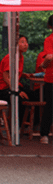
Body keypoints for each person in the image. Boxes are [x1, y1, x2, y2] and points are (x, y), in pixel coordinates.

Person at [0, 35, 31, 121]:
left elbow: (14, 72)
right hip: (4, 89)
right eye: (22, 42)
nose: (25, 44)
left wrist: (24, 75)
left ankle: (30, 126)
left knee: (33, 96)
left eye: (26, 42)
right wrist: (17, 91)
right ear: (15, 44)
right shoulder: (10, 58)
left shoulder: (21, 57)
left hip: (14, 87)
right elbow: (6, 77)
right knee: (20, 99)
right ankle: (17, 126)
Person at [39, 15, 53, 144]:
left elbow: (48, 57)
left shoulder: (49, 39)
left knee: (49, 107)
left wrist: (42, 66)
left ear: (49, 26)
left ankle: (44, 134)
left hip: (51, 78)